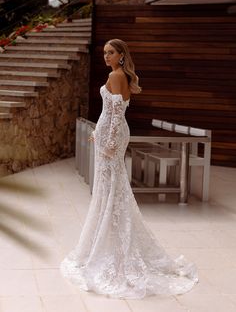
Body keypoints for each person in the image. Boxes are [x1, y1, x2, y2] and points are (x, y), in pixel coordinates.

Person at [60, 39, 198, 299]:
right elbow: (110, 112)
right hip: (108, 134)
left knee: (112, 186)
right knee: (109, 187)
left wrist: (109, 142)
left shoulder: (116, 75)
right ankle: (105, 237)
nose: (106, 56)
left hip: (113, 137)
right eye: (104, 53)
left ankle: (113, 245)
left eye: (111, 52)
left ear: (121, 55)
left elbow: (116, 113)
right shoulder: (117, 75)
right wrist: (98, 133)